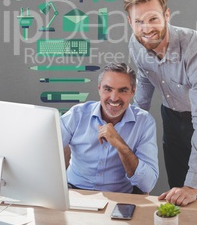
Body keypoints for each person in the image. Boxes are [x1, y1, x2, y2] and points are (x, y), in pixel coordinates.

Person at [124, 0, 197, 206]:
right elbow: (144, 89)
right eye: (139, 21)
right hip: (172, 117)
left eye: (153, 18)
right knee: (176, 194)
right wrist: (129, 133)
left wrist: (192, 186)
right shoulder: (136, 44)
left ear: (166, 15)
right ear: (130, 22)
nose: (146, 28)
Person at [60, 62, 159, 194]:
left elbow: (147, 184)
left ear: (133, 92)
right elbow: (45, 150)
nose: (114, 98)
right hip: (75, 193)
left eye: (122, 90)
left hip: (120, 197)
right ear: (99, 89)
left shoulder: (144, 122)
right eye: (108, 89)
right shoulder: (77, 115)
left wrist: (120, 145)